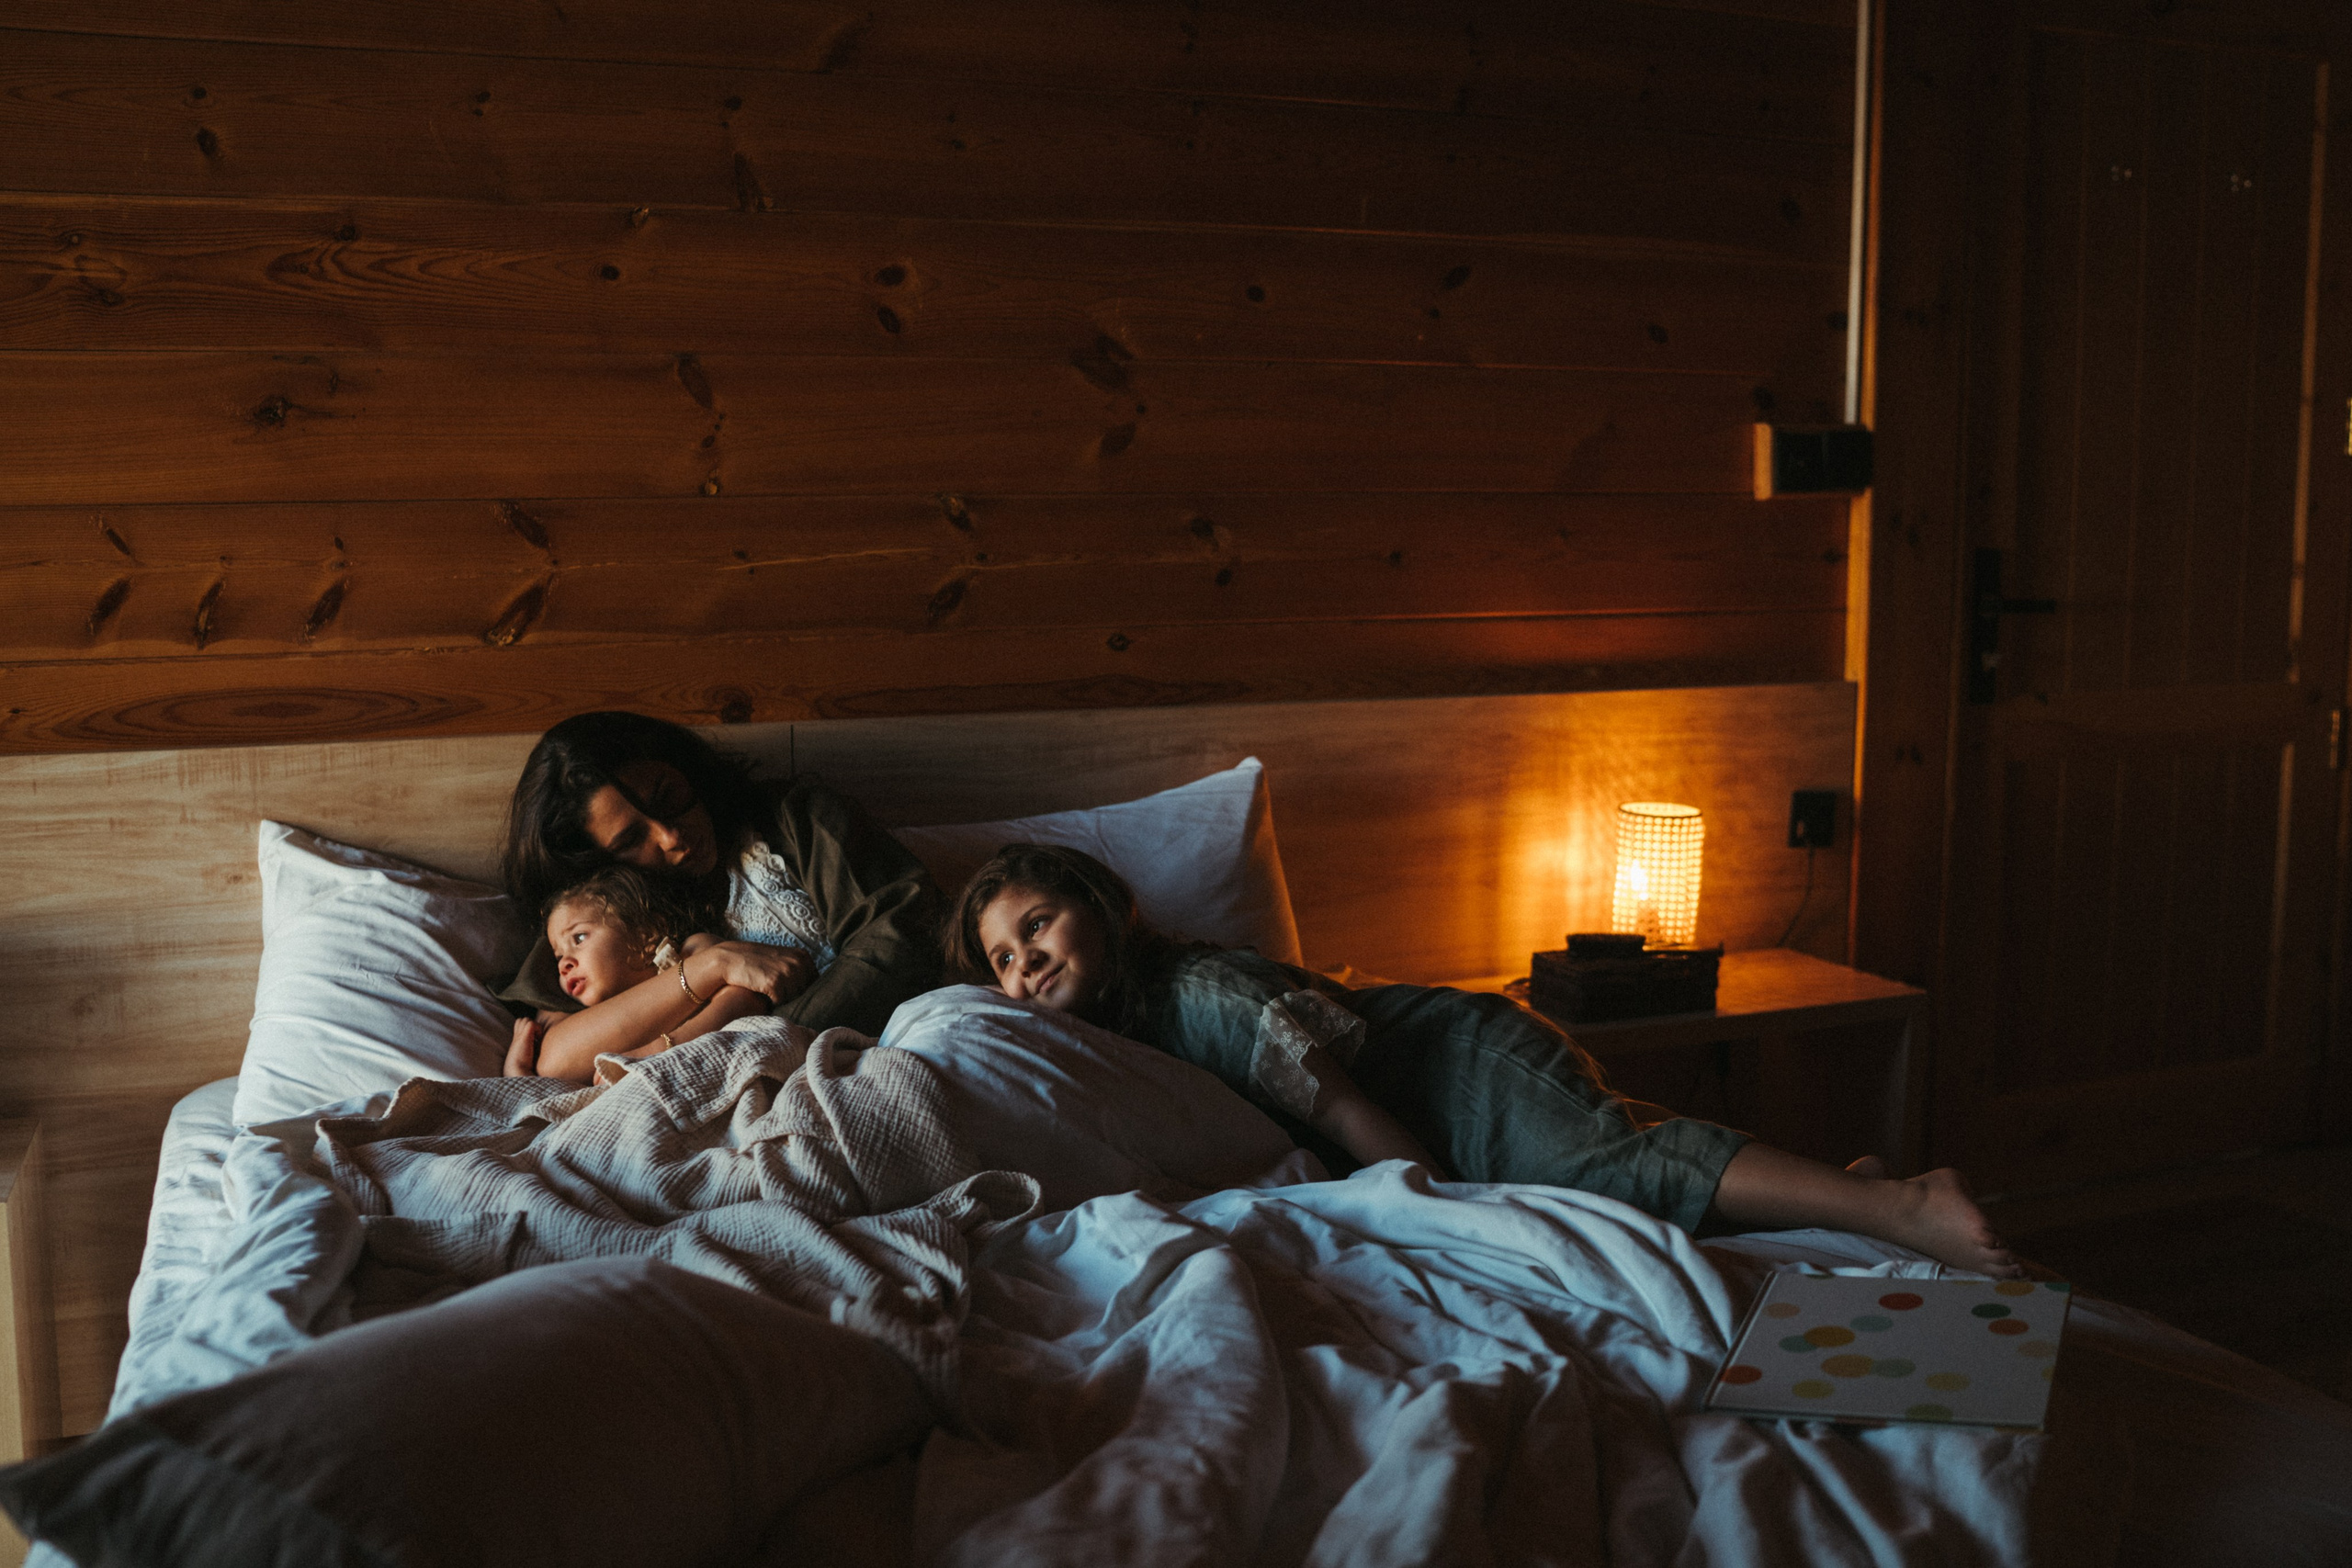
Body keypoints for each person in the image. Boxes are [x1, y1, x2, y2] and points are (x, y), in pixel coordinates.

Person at [944, 842, 2022, 1278]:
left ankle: (1905, 1210)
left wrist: (1445, 1222)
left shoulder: (1198, 998)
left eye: (1039, 926)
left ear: (1101, 912)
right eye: (1000, 956)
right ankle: (1842, 1195)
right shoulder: (1103, 1052)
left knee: (1611, 1169)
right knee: (1637, 1208)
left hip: (1451, 1065)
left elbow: (1361, 1125)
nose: (1024, 963)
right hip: (1419, 1105)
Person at [499, 711, 940, 1082]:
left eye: (667, 795)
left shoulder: (796, 820)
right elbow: (557, 1054)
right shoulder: (599, 912)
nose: (671, 836)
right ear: (595, 860)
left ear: (683, 767)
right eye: (632, 839)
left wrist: (732, 1045)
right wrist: (712, 966)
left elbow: (901, 936)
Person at [507, 865, 773, 1082]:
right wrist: (518, 1073)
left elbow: (745, 998)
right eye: (558, 957)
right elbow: (555, 1071)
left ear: (645, 933)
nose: (564, 963)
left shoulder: (689, 952)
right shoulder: (577, 1017)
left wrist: (654, 1052)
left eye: (579, 937)